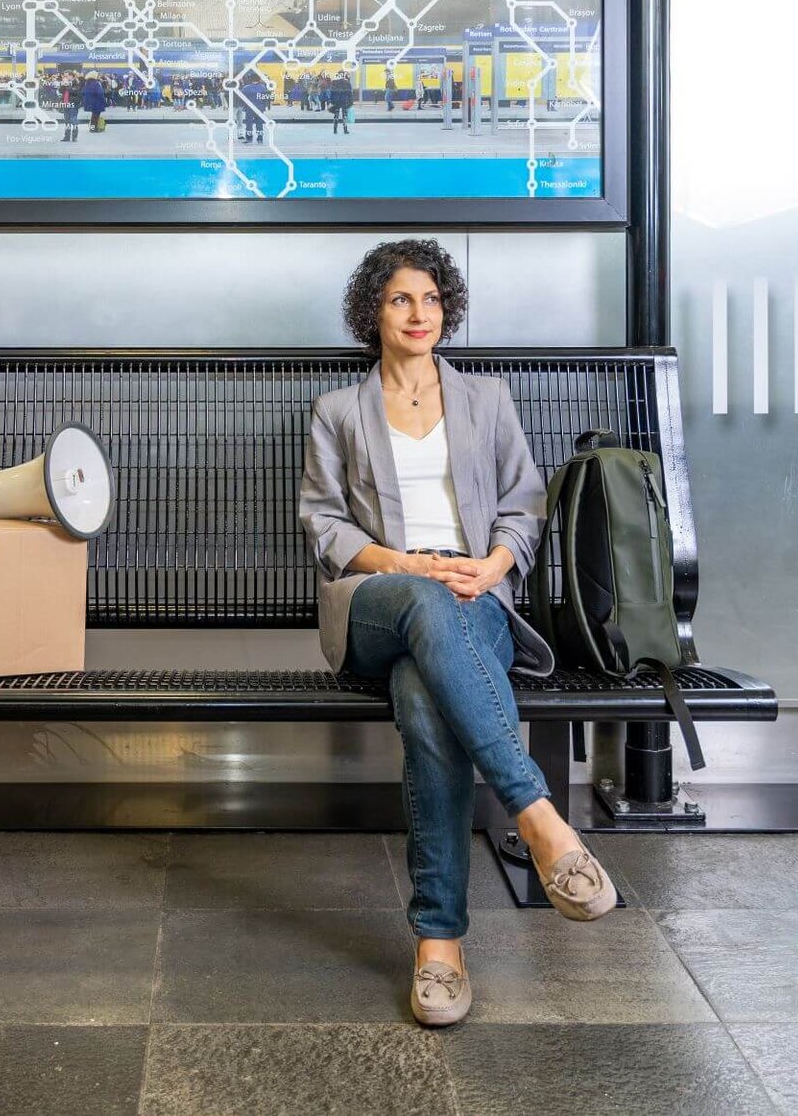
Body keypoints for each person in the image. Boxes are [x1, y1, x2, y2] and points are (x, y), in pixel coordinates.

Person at [298, 239, 618, 1029]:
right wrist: (408, 563)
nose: (419, 314)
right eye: (401, 299)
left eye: (432, 299)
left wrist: (492, 563)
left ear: (448, 310)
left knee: (424, 695)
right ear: (371, 311)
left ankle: (439, 943)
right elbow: (324, 525)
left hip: (478, 601)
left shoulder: (487, 399)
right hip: (378, 599)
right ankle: (538, 819)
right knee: (420, 606)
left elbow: (526, 503)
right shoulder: (339, 410)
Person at [57, 72, 81, 143]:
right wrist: (63, 85)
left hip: (73, 104)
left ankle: (74, 137)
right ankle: (67, 137)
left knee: (73, 120)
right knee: (67, 121)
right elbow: (60, 91)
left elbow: (76, 92)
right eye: (64, 76)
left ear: (71, 76)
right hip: (66, 104)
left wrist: (67, 86)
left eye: (67, 76)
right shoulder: (65, 83)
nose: (65, 77)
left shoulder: (77, 82)